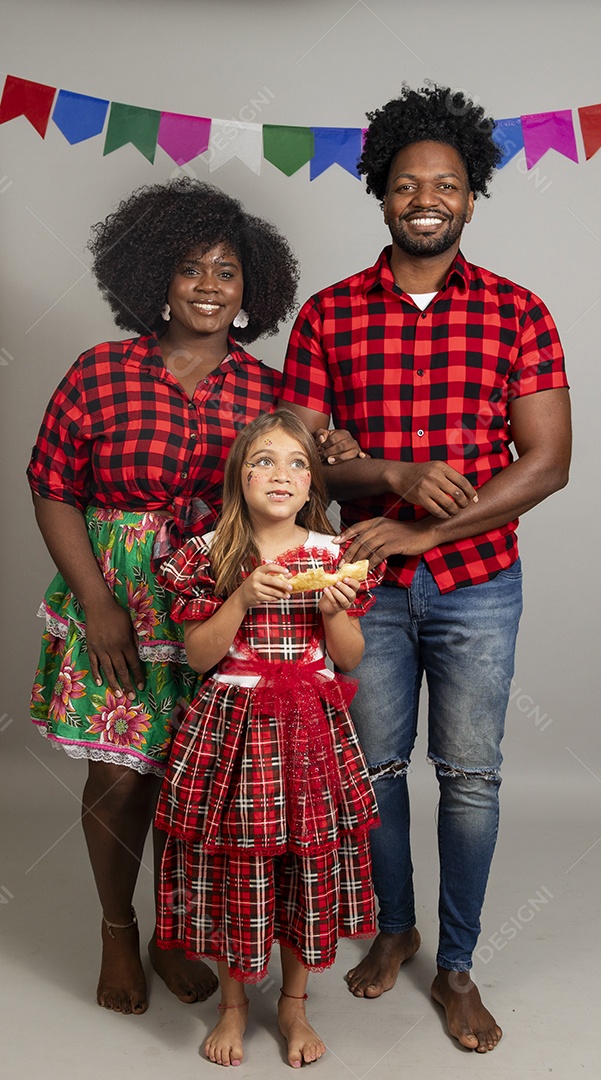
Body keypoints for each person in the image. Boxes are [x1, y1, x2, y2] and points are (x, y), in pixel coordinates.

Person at [280, 84, 572, 1053]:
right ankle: (393, 924)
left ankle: (455, 967)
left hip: (478, 583)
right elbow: (298, 459)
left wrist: (423, 533)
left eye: (446, 183)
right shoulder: (325, 316)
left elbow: (548, 462)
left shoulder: (518, 312)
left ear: (472, 197)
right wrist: (391, 472)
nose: (427, 197)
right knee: (372, 770)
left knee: (472, 777)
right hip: (362, 585)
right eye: (408, 183)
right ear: (382, 193)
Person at [27, 178, 360, 1016]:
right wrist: (97, 602)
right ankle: (115, 929)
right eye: (190, 268)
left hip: (221, 598)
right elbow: (52, 487)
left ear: (254, 290)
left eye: (227, 271)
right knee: (121, 783)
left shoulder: (270, 392)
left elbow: (308, 478)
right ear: (154, 279)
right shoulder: (100, 372)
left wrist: (338, 446)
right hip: (120, 600)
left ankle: (173, 936)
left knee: (200, 780)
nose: (210, 285)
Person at [153, 409, 381, 1068]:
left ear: (313, 484)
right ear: (237, 476)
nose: (281, 474)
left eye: (296, 463)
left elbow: (351, 655)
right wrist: (243, 599)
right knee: (238, 862)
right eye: (263, 461)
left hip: (309, 725)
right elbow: (197, 656)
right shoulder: (210, 553)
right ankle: (232, 1004)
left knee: (304, 859)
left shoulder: (331, 555)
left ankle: (294, 1002)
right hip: (235, 725)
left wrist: (334, 611)